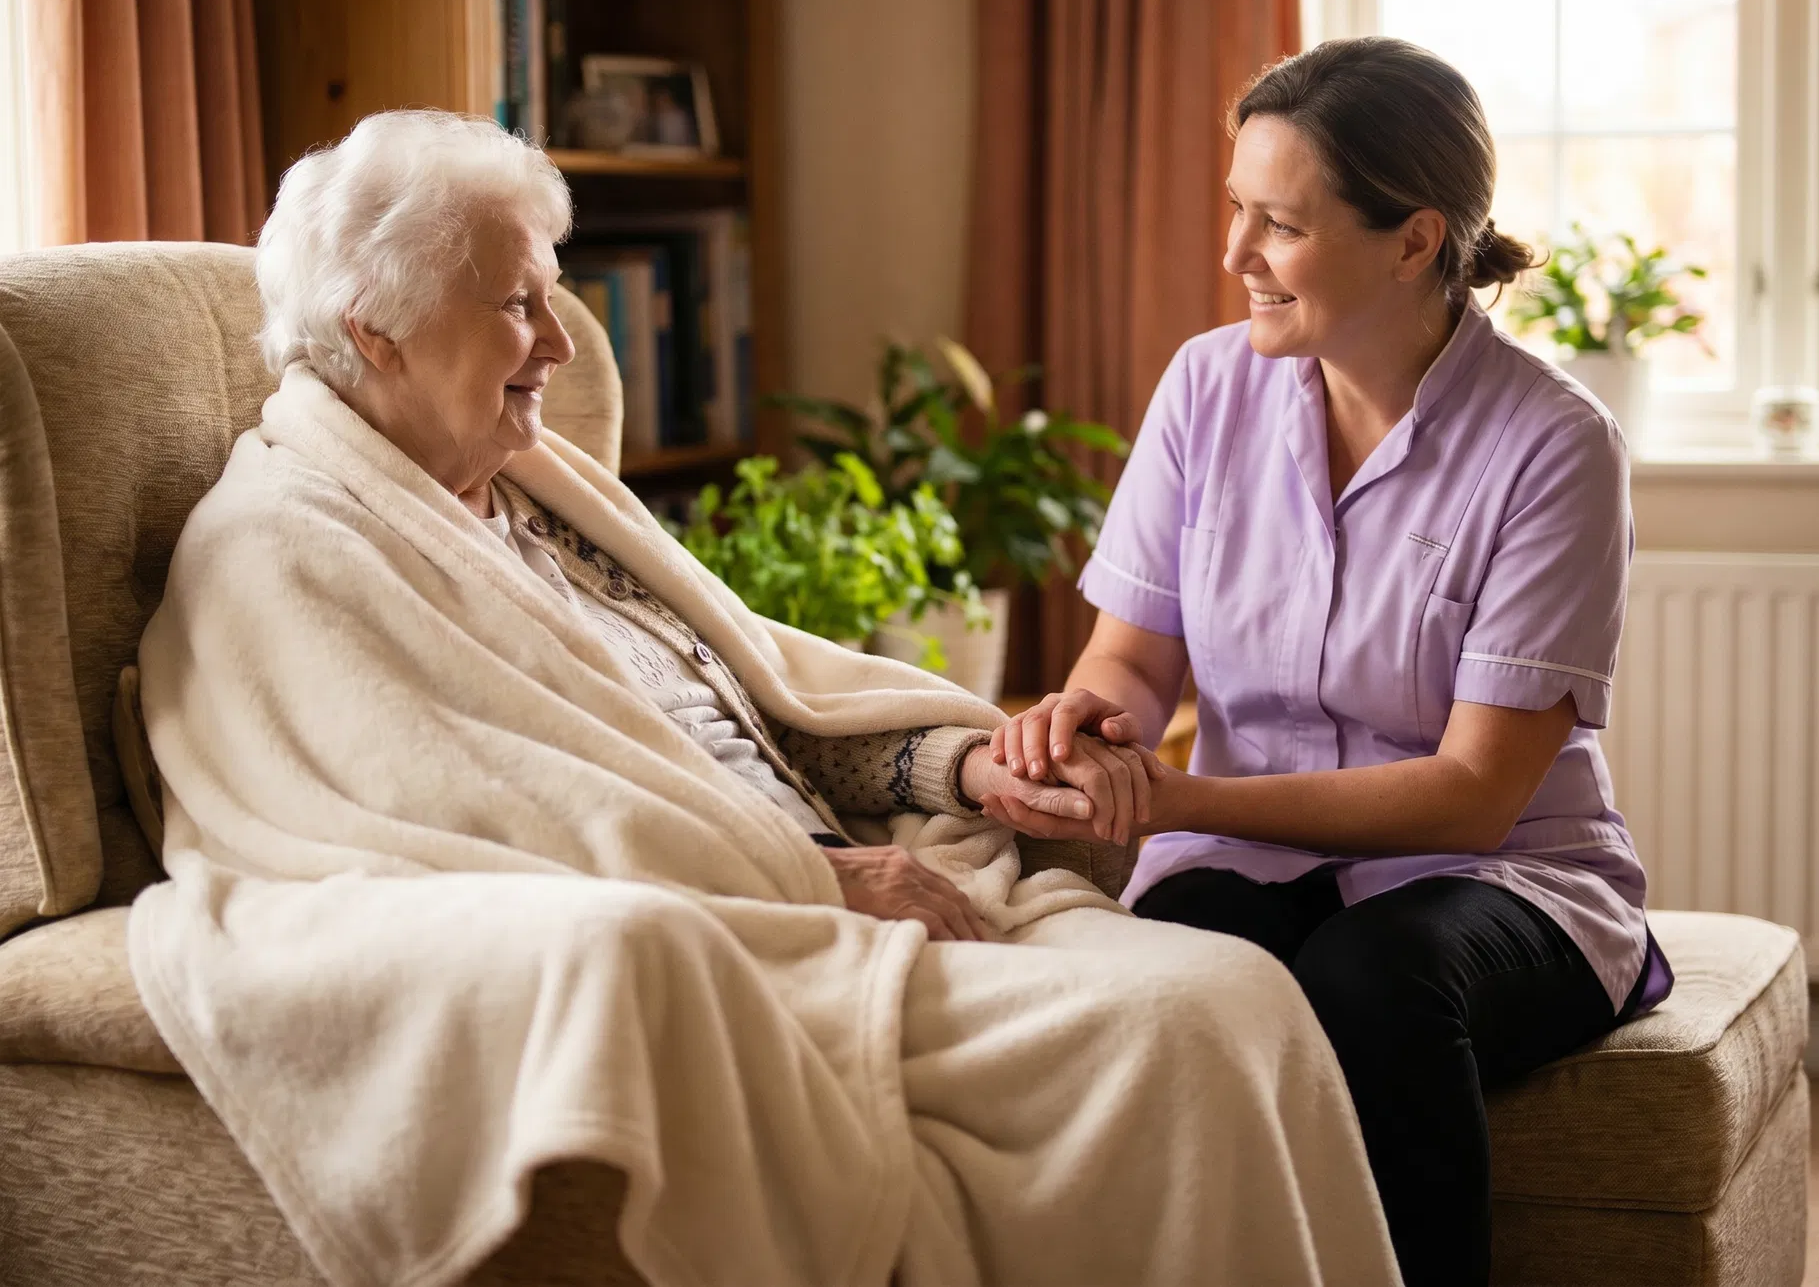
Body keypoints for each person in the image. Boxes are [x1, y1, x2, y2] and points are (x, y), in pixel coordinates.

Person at [128, 108, 1402, 1286]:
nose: (564, 347)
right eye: (521, 305)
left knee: (1237, 993)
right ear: (373, 329)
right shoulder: (286, 546)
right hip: (766, 933)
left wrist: (956, 772)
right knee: (1185, 1024)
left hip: (859, 875)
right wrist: (822, 883)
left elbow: (769, 702)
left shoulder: (525, 488)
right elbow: (477, 817)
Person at [987, 37, 1672, 1287]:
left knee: (1371, 976)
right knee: (1186, 951)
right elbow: (1134, 660)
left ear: (1414, 240)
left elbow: (1474, 793)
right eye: (1236, 210)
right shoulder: (1206, 389)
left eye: (1279, 225)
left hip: (1506, 881)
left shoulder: (1556, 446)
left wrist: (1178, 798)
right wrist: (1094, 720)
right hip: (1250, 854)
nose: (1236, 254)